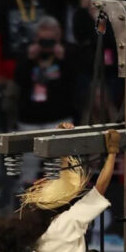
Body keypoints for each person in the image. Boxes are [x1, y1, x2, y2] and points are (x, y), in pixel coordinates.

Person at [13, 16, 75, 182]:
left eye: (51, 40)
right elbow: (18, 79)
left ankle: (58, 204)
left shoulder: (68, 52)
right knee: (28, 168)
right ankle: (26, 203)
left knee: (59, 170)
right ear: (36, 38)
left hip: (58, 118)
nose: (46, 44)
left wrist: (63, 60)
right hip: (29, 121)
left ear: (58, 37)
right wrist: (29, 59)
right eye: (43, 40)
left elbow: (75, 81)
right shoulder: (27, 52)